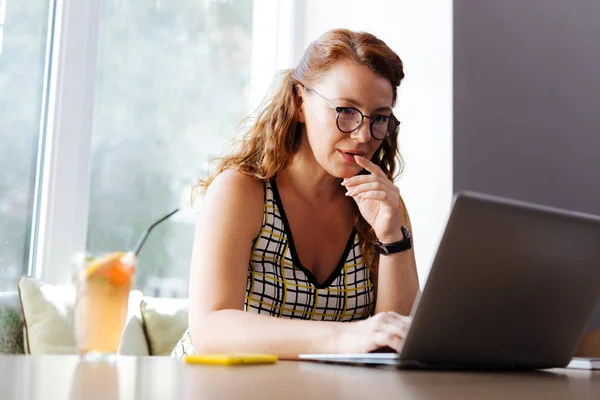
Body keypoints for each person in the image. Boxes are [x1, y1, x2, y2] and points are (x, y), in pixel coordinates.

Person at [172, 28, 419, 359]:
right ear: (299, 101)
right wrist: (343, 338)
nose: (363, 136)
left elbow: (393, 342)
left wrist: (392, 235)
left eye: (379, 118)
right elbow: (210, 328)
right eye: (345, 110)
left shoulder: (383, 205)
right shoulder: (241, 191)